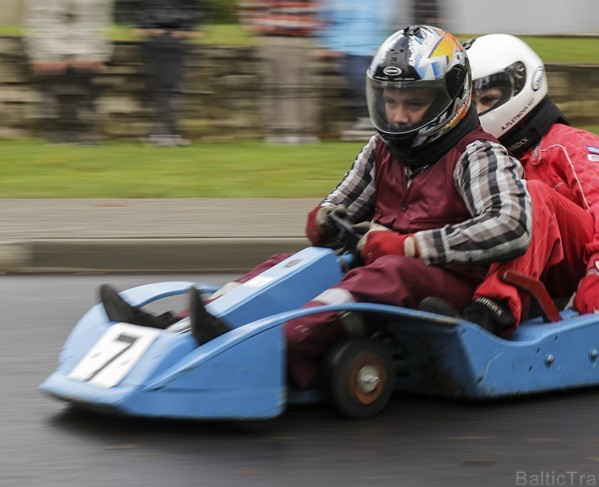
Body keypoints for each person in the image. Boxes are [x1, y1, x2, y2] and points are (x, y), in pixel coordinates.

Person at [100, 25, 534, 388]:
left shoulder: (478, 155)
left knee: (389, 272)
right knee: (295, 263)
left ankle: (267, 351)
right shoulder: (382, 148)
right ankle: (179, 327)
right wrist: (325, 219)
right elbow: (342, 203)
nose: (399, 116)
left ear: (449, 97)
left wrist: (413, 247)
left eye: (413, 103)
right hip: (382, 267)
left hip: (450, 284)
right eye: (392, 102)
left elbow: (512, 225)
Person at [423, 34, 599, 331]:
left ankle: (493, 307)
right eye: (470, 103)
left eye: (486, 100)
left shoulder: (572, 143)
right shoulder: (477, 158)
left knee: (527, 197)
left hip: (591, 266)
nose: (475, 112)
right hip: (523, 267)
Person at [23, 0, 115, 144]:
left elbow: (99, 21)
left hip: (85, 51)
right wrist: (41, 56)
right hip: (52, 51)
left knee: (79, 88)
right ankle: (66, 131)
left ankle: (77, 130)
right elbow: (39, 20)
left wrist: (98, 54)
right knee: (63, 88)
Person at [238, 0, 323, 144]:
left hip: (301, 40)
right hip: (275, 38)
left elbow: (316, 9)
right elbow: (250, 10)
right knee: (280, 88)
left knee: (302, 89)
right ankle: (284, 131)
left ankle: (301, 130)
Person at [315, 0, 395, 141]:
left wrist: (379, 46)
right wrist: (329, 44)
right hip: (347, 48)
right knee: (357, 71)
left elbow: (382, 19)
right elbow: (327, 19)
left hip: (367, 47)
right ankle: (367, 118)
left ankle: (369, 119)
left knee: (363, 73)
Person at [127, 0, 203, 147]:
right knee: (167, 89)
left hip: (167, 42)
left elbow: (140, 14)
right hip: (166, 42)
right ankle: (163, 133)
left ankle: (167, 132)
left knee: (168, 89)